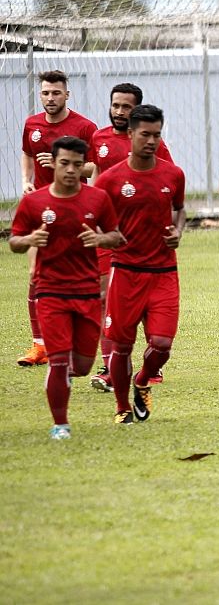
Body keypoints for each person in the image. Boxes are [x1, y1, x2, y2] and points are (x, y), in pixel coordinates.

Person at [9, 136, 120, 439]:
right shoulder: (34, 202)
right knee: (58, 362)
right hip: (51, 292)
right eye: (64, 164)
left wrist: (100, 239)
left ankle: (65, 370)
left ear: (84, 166)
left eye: (76, 164)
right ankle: (61, 424)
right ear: (53, 164)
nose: (70, 170)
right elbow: (14, 241)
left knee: (82, 366)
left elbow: (116, 236)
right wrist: (29, 241)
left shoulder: (97, 199)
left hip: (86, 291)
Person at [93, 105, 186, 424]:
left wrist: (178, 231)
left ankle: (143, 379)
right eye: (145, 134)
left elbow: (179, 209)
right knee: (121, 346)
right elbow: (93, 224)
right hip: (126, 273)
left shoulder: (173, 174)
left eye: (156, 135)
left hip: (164, 272)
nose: (151, 141)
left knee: (161, 345)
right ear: (130, 134)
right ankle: (121, 408)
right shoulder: (109, 180)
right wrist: (109, 238)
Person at [18, 70, 98, 368]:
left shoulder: (84, 127)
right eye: (45, 93)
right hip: (40, 212)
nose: (50, 98)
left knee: (81, 277)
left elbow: (96, 167)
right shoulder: (32, 124)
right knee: (35, 277)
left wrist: (63, 165)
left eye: (56, 93)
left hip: (77, 213)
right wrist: (27, 180)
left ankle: (77, 339)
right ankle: (40, 346)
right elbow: (27, 152)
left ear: (68, 94)